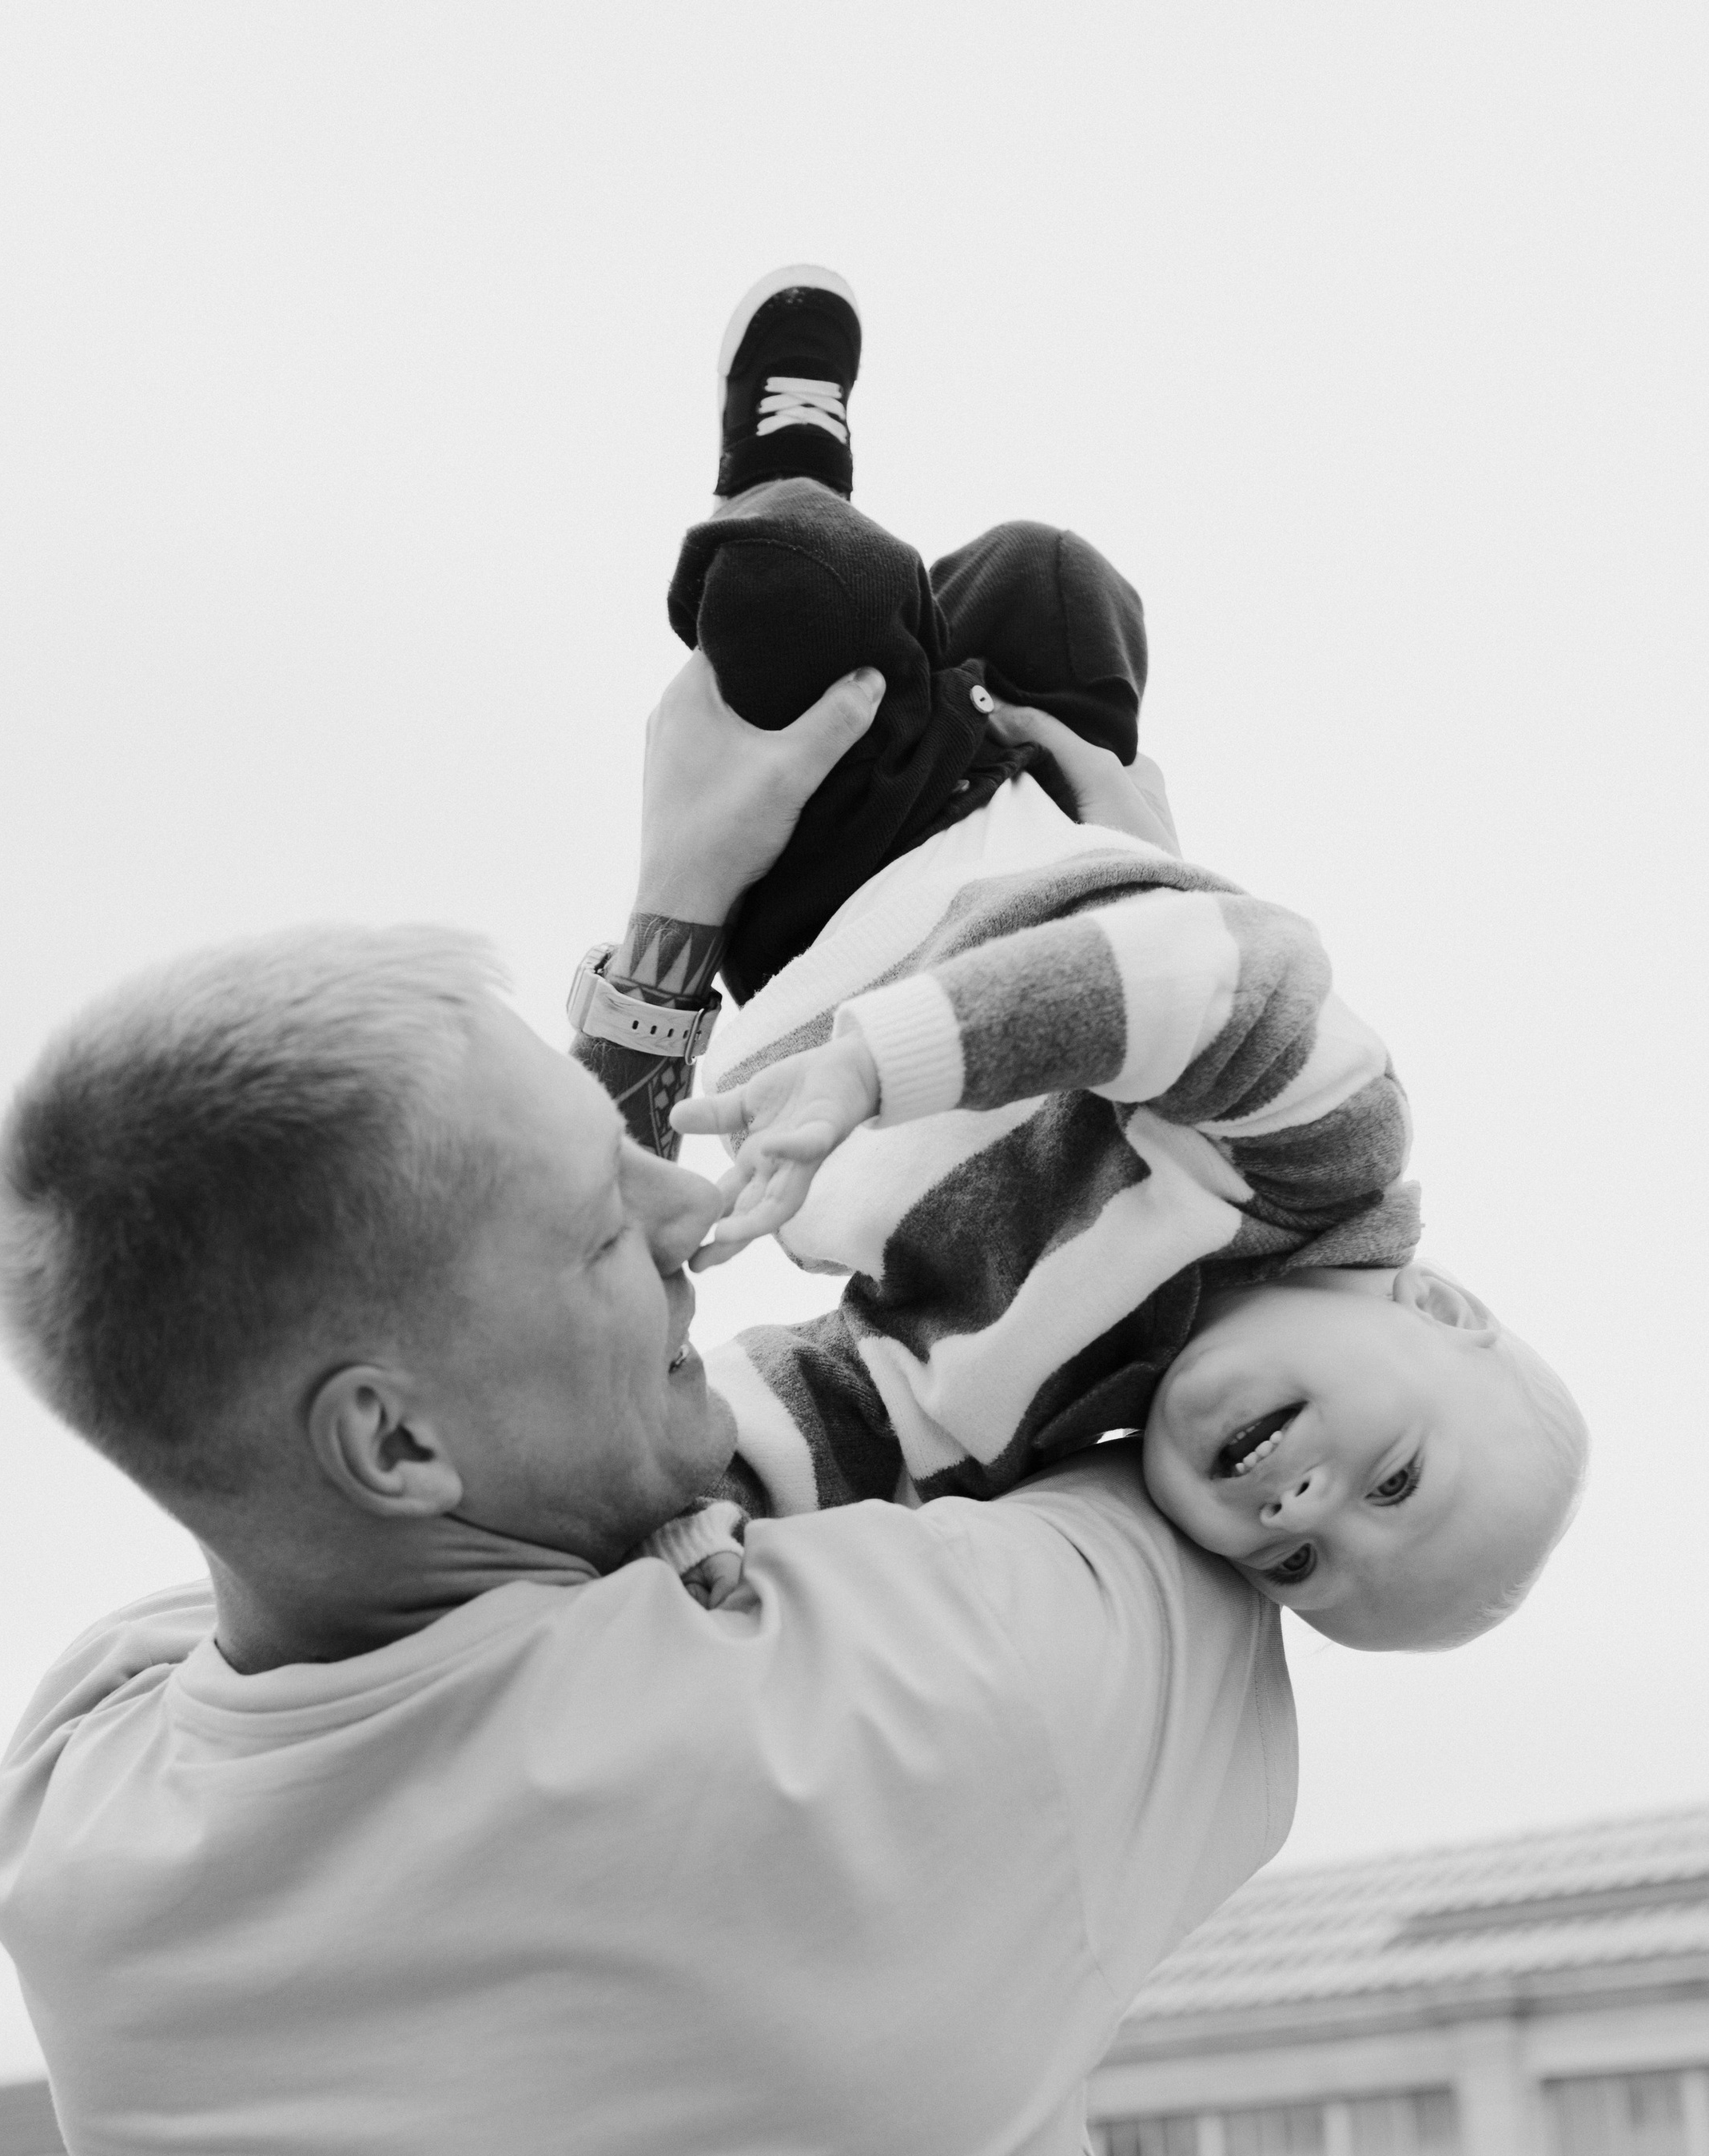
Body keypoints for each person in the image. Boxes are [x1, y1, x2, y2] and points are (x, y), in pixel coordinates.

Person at [0, 655, 1425, 2156]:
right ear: (400, 1438)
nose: (692, 1225)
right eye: (607, 1229)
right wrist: (1127, 935)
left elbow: (350, 1519)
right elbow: (1258, 1376)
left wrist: (658, 970)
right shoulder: (929, 1732)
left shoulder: (83, 1835)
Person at [572, 270, 1585, 1649]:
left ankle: (790, 470)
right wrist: (885, 1067)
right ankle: (963, 692)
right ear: (1439, 1309)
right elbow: (1224, 980)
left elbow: (850, 1415)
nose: (1299, 1505)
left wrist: (700, 1508)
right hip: (1023, 869)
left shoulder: (1028, 1412)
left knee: (802, 584)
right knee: (1062, 577)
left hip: (822, 919)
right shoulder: (1329, 1160)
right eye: (1392, 1480)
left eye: (1298, 1570)